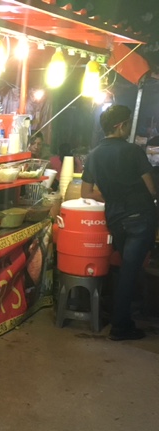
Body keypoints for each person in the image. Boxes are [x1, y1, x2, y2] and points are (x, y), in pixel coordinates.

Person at [81, 105, 157, 341]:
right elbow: (151, 188)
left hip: (115, 219)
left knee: (129, 268)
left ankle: (131, 311)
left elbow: (86, 191)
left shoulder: (93, 155)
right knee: (128, 271)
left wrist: (111, 195)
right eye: (127, 123)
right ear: (120, 126)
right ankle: (120, 326)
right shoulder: (133, 151)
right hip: (140, 217)